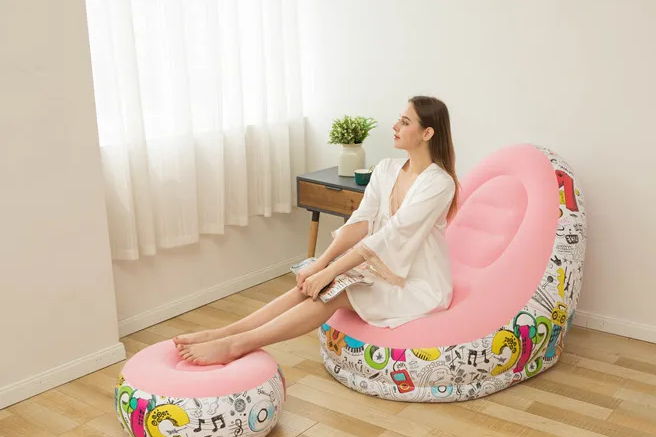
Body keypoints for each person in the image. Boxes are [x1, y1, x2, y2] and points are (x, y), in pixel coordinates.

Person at [174, 96, 460, 365]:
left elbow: (390, 236)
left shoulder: (439, 183)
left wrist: (330, 272)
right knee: (310, 284)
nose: (395, 126)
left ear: (427, 133)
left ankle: (237, 345)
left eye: (405, 122)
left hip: (416, 285)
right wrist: (321, 264)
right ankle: (225, 332)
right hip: (381, 269)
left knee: (331, 292)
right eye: (399, 119)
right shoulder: (386, 169)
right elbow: (361, 221)